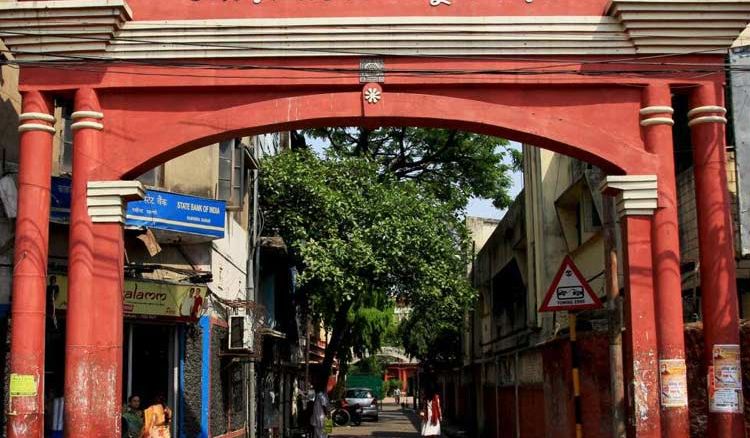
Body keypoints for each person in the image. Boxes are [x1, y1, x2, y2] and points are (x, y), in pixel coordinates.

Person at [309, 374, 330, 438]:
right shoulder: (320, 394)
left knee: (320, 434)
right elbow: (324, 406)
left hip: (319, 419)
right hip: (320, 419)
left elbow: (324, 406)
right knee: (322, 434)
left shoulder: (319, 394)